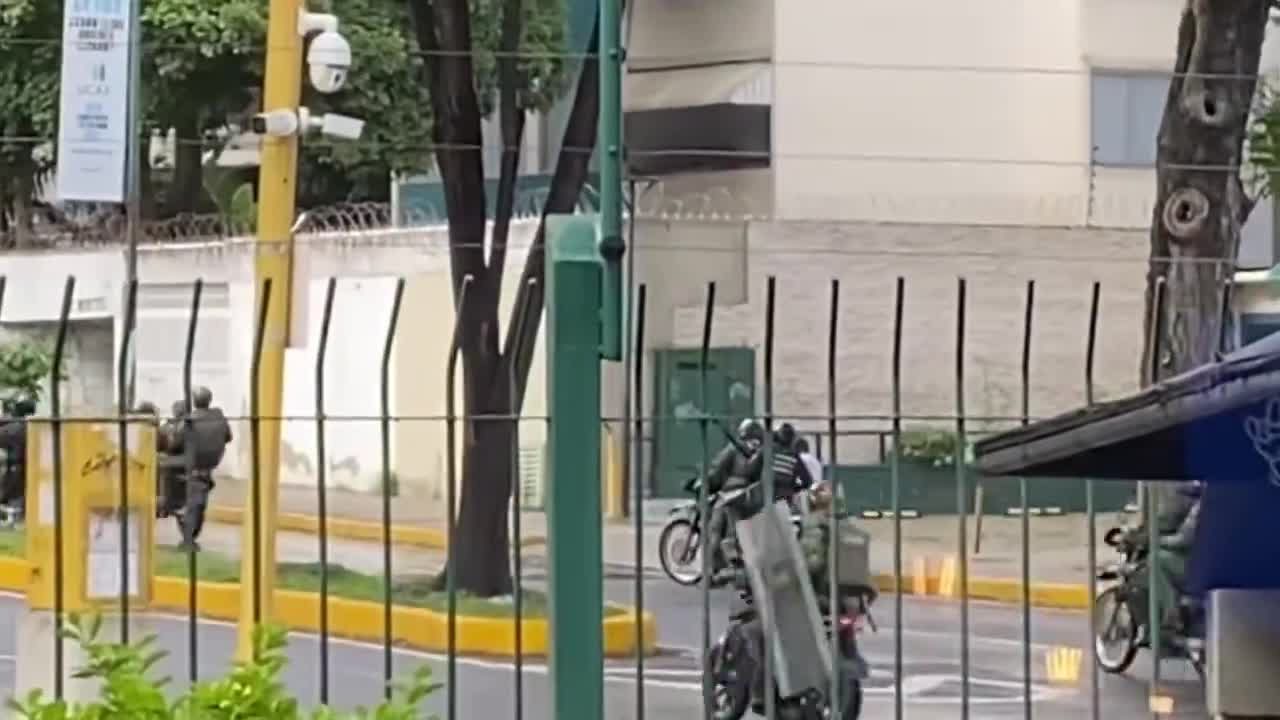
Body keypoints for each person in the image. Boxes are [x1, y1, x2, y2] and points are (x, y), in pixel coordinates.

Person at [704, 419, 765, 582]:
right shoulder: (760, 451)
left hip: (731, 495)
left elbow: (716, 470)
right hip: (752, 498)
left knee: (715, 528)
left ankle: (709, 571)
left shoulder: (734, 449)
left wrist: (708, 484)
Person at [178, 386, 232, 550]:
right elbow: (228, 437)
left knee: (194, 504)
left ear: (194, 401)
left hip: (191, 467)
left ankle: (188, 539)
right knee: (198, 504)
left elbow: (176, 442)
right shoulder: (219, 418)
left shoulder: (190, 421)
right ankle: (190, 536)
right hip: (208, 467)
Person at [0, 393, 36, 518]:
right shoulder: (37, 427)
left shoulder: (15, 428)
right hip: (32, 470)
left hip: (16, 470)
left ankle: (13, 514)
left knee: (14, 496)